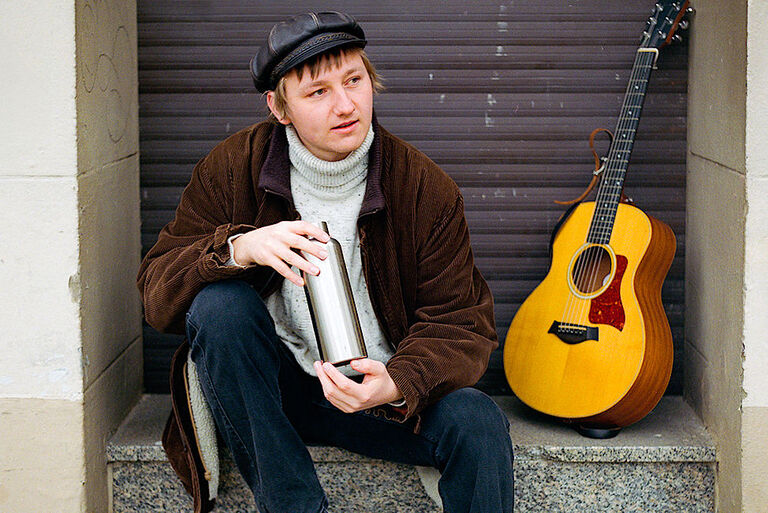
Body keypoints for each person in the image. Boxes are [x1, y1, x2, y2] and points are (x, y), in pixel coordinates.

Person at [137, 11, 514, 513]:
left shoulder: (426, 188)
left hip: (378, 395)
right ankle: (294, 504)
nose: (345, 105)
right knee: (220, 305)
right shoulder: (231, 169)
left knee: (478, 420)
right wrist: (237, 249)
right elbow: (157, 294)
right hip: (271, 391)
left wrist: (399, 382)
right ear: (279, 107)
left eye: (354, 80)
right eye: (318, 92)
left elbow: (462, 323)